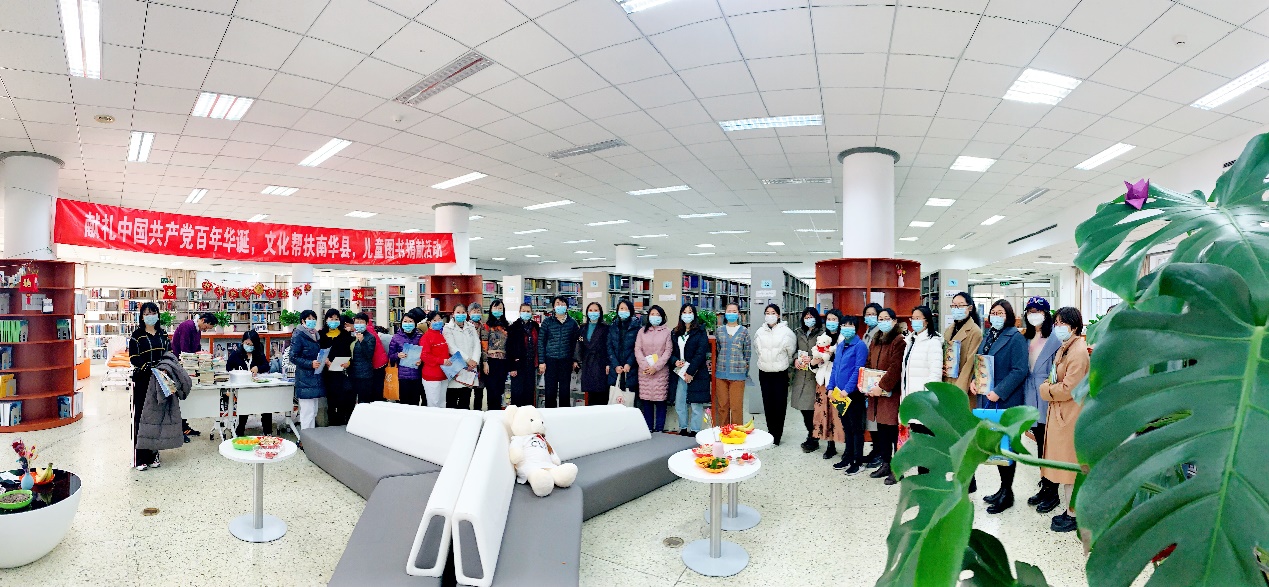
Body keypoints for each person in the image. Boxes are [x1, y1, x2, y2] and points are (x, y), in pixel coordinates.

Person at [974, 299, 1029, 514]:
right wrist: (975, 381)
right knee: (996, 446)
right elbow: (981, 362)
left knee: (1007, 446)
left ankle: (1008, 492)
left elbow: (1020, 370)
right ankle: (1002, 489)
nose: (996, 316)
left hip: (1006, 400)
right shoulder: (989, 335)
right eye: (993, 312)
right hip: (988, 397)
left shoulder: (1015, 338)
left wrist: (1000, 391)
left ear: (1009, 316)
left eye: (1000, 313)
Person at [1039, 307, 1089, 533]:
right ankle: (1071, 511)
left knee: (1071, 468)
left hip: (1070, 415)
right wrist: (1049, 387)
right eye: (1056, 323)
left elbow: (1070, 388)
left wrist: (1046, 390)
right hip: (1062, 413)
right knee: (1068, 469)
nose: (1058, 327)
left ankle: (1074, 515)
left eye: (1063, 323)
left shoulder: (1078, 352)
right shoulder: (1066, 347)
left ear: (1075, 327)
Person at [1020, 296, 1061, 509]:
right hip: (1029, 393)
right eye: (1030, 311)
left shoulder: (1056, 338)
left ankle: (1053, 491)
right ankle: (1044, 486)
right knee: (1038, 441)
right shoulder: (1025, 337)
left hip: (1047, 394)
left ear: (1046, 314)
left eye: (1037, 311)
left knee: (1049, 444)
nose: (1033, 315)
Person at [944, 291, 983, 493]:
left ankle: (969, 480)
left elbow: (970, 364)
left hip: (962, 391)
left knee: (964, 438)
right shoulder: (949, 329)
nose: (956, 309)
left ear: (970, 308)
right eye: (954, 305)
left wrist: (956, 395)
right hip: (948, 385)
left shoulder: (975, 332)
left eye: (960, 305)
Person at [863, 308, 907, 484]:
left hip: (891, 394)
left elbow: (895, 368)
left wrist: (881, 386)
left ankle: (898, 469)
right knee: (881, 430)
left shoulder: (899, 340)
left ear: (894, 321)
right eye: (880, 319)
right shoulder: (876, 339)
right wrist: (866, 383)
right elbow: (868, 362)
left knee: (892, 431)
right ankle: (885, 463)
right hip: (875, 393)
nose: (882, 322)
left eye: (886, 318)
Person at [901, 305, 944, 476]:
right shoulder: (911, 341)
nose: (914, 321)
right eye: (913, 318)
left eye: (918, 318)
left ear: (927, 321)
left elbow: (935, 375)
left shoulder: (933, 342)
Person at [129, 302, 170, 470]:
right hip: (143, 380)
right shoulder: (137, 335)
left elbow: (169, 354)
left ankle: (154, 454)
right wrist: (149, 368)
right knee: (142, 417)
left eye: (153, 313)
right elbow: (133, 357)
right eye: (146, 313)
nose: (150, 316)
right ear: (142, 316)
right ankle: (140, 457)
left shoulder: (163, 334)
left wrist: (165, 368)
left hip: (160, 380)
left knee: (157, 418)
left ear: (158, 315)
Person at [826, 315, 869, 474]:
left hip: (853, 394)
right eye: (843, 325)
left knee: (856, 428)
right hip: (839, 394)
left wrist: (848, 389)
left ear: (856, 328)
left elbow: (859, 370)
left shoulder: (860, 346)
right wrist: (831, 387)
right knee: (847, 426)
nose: (845, 328)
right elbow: (835, 368)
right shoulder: (840, 345)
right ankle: (848, 457)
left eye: (849, 325)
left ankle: (858, 461)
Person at [753, 304, 796, 445]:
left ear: (778, 315)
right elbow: (757, 350)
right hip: (764, 372)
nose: (770, 315)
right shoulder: (759, 332)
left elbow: (790, 353)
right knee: (768, 404)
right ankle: (770, 433)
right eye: (767, 312)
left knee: (779, 404)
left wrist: (781, 363)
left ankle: (777, 435)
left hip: (780, 373)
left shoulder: (787, 332)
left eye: (773, 312)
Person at [170, 311, 216, 440]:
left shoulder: (197, 329)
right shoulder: (187, 326)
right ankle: (179, 430)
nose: (206, 330)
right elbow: (184, 350)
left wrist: (202, 355)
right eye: (207, 327)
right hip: (181, 364)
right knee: (179, 398)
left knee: (186, 398)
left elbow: (196, 347)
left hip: (189, 365)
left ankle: (184, 427)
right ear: (203, 320)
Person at [670, 303, 710, 435]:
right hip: (680, 372)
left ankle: (695, 430)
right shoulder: (675, 332)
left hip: (696, 372)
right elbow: (671, 351)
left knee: (696, 404)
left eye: (690, 312)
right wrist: (675, 361)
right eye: (685, 312)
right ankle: (683, 428)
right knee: (680, 402)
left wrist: (690, 371)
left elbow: (700, 353)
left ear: (694, 315)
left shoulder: (700, 331)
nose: (687, 315)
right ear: (681, 315)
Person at [811, 309, 845, 459]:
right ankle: (830, 445)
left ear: (839, 322)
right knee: (824, 413)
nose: (831, 322)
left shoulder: (843, 339)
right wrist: (814, 363)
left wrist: (831, 357)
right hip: (822, 381)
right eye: (829, 319)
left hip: (838, 382)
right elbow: (816, 362)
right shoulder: (822, 337)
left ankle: (846, 446)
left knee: (839, 414)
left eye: (834, 319)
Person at [230, 329, 275, 437]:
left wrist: (258, 368)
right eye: (247, 344)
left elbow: (266, 366)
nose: (249, 346)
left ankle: (267, 432)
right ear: (242, 342)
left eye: (251, 345)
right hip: (242, 389)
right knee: (245, 401)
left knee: (266, 403)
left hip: (258, 387)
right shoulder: (236, 355)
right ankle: (240, 431)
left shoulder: (258, 354)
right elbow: (228, 369)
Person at [634, 305, 672, 432]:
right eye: (652, 314)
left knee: (661, 401)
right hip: (644, 371)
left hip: (660, 372)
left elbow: (668, 351)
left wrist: (656, 367)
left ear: (662, 317)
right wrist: (645, 366)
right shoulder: (642, 331)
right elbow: (638, 349)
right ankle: (648, 428)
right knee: (646, 401)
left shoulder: (667, 332)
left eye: (658, 315)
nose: (655, 317)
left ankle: (659, 429)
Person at [791, 307, 824, 452]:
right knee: (804, 409)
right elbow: (793, 351)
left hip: (815, 375)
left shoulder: (822, 333)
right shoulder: (798, 332)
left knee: (812, 408)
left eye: (811, 317)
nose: (808, 319)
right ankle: (811, 434)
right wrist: (795, 360)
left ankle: (814, 437)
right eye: (806, 317)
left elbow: (826, 353)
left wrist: (813, 359)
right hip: (801, 375)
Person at [537, 296, 580, 408]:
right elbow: (541, 342)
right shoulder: (547, 322)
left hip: (566, 360)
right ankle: (550, 414)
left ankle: (564, 414)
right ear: (553, 307)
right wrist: (541, 361)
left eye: (563, 304)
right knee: (550, 391)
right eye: (557, 303)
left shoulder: (572, 323)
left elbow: (576, 343)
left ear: (567, 306)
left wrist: (575, 360)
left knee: (565, 391)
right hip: (550, 360)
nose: (560, 306)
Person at [712, 302, 750, 426]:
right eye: (729, 311)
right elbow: (718, 350)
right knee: (722, 406)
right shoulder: (719, 331)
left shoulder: (744, 331)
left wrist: (744, 368)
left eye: (734, 312)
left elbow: (747, 352)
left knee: (736, 407)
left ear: (739, 314)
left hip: (738, 374)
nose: (731, 314)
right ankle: (724, 431)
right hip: (721, 373)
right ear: (725, 313)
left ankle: (737, 433)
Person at [288, 310, 324, 430]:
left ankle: (311, 436)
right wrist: (310, 364)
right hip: (304, 378)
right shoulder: (298, 335)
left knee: (313, 412)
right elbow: (293, 357)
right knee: (307, 413)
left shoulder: (315, 335)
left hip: (315, 377)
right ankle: (305, 437)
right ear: (303, 320)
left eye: (314, 319)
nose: (312, 321)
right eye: (309, 319)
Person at [444, 303, 482, 409]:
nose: (461, 314)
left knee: (465, 399)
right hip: (456, 366)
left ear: (466, 314)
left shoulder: (471, 327)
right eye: (458, 312)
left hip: (470, 367)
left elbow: (477, 344)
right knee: (452, 400)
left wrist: (474, 361)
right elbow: (451, 347)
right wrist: (467, 359)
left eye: (463, 312)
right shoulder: (447, 328)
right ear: (453, 314)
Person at [320, 312, 355, 425]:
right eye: (331, 318)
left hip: (342, 372)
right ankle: (332, 424)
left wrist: (348, 363)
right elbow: (318, 351)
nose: (334, 321)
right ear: (326, 320)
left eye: (336, 319)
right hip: (327, 372)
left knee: (343, 400)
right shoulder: (321, 335)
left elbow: (351, 352)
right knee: (330, 401)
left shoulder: (345, 335)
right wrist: (325, 361)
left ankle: (343, 423)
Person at [607, 298, 642, 406]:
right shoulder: (613, 326)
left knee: (630, 402)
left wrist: (629, 363)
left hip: (631, 369)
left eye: (626, 309)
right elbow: (609, 346)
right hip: (615, 369)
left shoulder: (637, 327)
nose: (623, 311)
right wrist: (615, 365)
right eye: (621, 308)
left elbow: (637, 348)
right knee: (615, 402)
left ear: (631, 311)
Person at [389, 307, 426, 407]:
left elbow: (424, 354)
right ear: (401, 323)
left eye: (410, 321)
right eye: (405, 321)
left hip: (416, 375)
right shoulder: (396, 337)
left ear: (415, 323)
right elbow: (390, 356)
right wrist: (397, 355)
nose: (408, 324)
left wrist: (421, 360)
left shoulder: (420, 337)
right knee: (403, 403)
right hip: (402, 376)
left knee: (415, 403)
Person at [576, 302, 611, 405]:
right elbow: (579, 345)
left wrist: (608, 363)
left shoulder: (605, 328)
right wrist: (576, 360)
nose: (593, 313)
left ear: (600, 313)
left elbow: (609, 346)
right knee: (590, 394)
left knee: (601, 394)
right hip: (587, 363)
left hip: (600, 363)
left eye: (596, 310)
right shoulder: (583, 328)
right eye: (590, 310)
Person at [506, 303, 539, 407]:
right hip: (518, 365)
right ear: (519, 312)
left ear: (532, 313)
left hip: (531, 364)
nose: (526, 313)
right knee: (517, 393)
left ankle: (528, 414)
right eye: (523, 311)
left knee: (529, 393)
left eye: (528, 311)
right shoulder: (513, 327)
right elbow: (509, 348)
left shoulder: (535, 326)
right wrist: (512, 367)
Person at [481, 299, 510, 411]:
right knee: (491, 390)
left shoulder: (507, 326)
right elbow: (484, 345)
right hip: (491, 362)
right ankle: (491, 413)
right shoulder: (486, 326)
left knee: (500, 390)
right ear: (491, 309)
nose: (498, 310)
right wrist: (485, 362)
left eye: (500, 308)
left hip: (503, 362)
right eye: (495, 308)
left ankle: (498, 413)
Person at [348, 312, 381, 404]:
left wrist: (362, 341)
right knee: (351, 400)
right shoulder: (352, 336)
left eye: (361, 322)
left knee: (364, 401)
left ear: (366, 324)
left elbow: (369, 355)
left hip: (365, 375)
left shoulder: (370, 337)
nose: (359, 324)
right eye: (357, 322)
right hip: (352, 373)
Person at [420, 311, 451, 408]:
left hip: (443, 374)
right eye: (434, 320)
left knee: (442, 403)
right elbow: (424, 355)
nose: (438, 322)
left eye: (439, 319)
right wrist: (441, 361)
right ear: (429, 322)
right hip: (432, 376)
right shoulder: (426, 337)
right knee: (434, 404)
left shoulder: (441, 335)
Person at [466, 302, 488, 408]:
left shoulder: (484, 327)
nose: (476, 313)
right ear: (469, 313)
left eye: (478, 311)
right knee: (467, 392)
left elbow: (485, 346)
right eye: (474, 311)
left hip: (481, 362)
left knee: (479, 392)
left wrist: (485, 361)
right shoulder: (466, 327)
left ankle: (477, 412)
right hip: (468, 362)